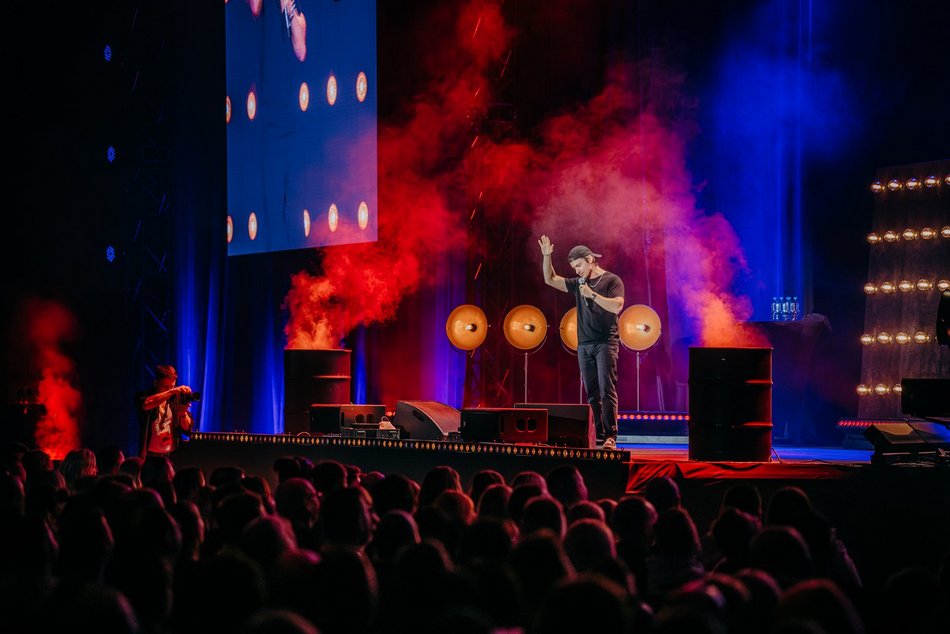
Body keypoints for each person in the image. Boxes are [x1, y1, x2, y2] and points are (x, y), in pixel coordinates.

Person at [539, 236, 624, 449]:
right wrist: (547, 256)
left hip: (606, 343)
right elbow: (550, 279)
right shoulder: (578, 283)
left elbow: (617, 306)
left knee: (607, 390)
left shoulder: (611, 280)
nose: (576, 270)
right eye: (574, 267)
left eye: (578, 265)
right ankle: (601, 436)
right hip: (584, 345)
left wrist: (593, 295)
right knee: (592, 393)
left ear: (589, 260)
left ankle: (611, 434)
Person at [136, 365, 195, 458]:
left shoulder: (176, 399)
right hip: (150, 456)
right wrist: (172, 391)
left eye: (172, 386)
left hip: (172, 455)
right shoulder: (145, 396)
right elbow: (147, 404)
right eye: (165, 387)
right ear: (156, 383)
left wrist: (183, 415)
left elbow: (188, 429)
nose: (169, 389)